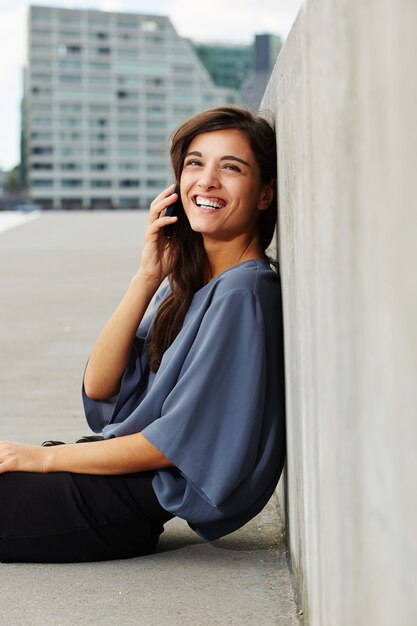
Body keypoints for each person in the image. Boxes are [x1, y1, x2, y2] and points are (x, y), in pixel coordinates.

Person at [0, 105, 286, 563]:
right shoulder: (195, 286)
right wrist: (146, 278)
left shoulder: (243, 293)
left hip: (121, 506)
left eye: (231, 168)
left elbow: (169, 444)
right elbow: (102, 387)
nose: (207, 180)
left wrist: (40, 457)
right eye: (195, 163)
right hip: (107, 483)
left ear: (265, 193)